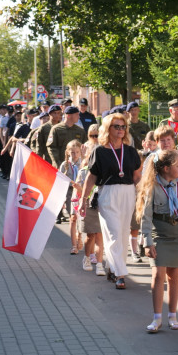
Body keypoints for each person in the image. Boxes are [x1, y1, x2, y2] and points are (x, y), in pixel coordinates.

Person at [136, 148, 178, 333]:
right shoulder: (152, 187)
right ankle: (157, 318)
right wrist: (147, 242)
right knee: (158, 276)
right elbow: (146, 217)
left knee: (174, 276)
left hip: (177, 234)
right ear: (165, 168)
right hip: (159, 235)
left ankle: (172, 315)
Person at [79, 112, 142, 289]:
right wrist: (83, 200)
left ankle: (112, 268)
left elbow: (137, 176)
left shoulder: (130, 151)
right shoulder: (99, 151)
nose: (121, 130)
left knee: (122, 234)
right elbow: (91, 177)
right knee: (113, 233)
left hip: (128, 192)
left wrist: (142, 193)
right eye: (117, 126)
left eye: (123, 127)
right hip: (107, 192)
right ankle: (121, 274)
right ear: (108, 129)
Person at [76, 125, 107, 275]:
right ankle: (87, 257)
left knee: (100, 235)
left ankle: (100, 263)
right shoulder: (83, 171)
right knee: (91, 235)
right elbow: (79, 189)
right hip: (89, 204)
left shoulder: (104, 168)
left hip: (101, 203)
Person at [58, 140, 84, 248]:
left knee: (81, 218)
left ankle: (79, 236)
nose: (75, 155)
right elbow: (60, 181)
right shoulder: (65, 165)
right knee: (72, 218)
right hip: (70, 192)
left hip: (81, 192)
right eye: (72, 152)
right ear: (68, 152)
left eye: (77, 152)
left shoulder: (83, 163)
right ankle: (74, 245)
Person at [47, 105, 87, 170]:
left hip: (77, 166)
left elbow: (85, 146)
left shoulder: (80, 131)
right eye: (76, 114)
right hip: (60, 165)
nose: (79, 117)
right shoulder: (56, 129)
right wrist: (57, 163)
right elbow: (51, 147)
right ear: (68, 116)